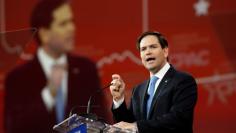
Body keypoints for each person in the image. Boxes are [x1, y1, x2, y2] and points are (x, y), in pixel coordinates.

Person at [4, 0, 106, 132]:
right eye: (63, 24)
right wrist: (49, 95)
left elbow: (102, 121)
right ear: (44, 33)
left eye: (71, 21)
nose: (72, 28)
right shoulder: (18, 78)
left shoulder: (87, 69)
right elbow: (13, 128)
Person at [109, 31, 198, 133]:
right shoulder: (139, 89)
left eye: (153, 47)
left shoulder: (183, 81)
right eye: (143, 49)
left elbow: (178, 118)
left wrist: (137, 127)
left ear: (165, 51)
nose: (148, 52)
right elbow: (127, 125)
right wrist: (118, 99)